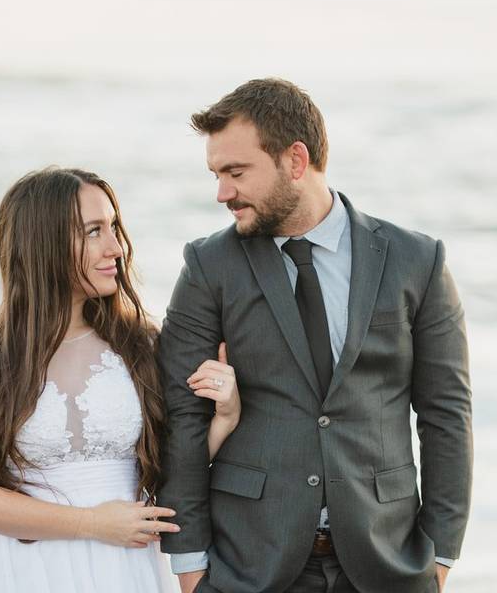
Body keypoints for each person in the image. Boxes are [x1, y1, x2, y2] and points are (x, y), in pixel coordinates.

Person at [157, 79, 473, 593]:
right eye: (216, 175)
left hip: (388, 563)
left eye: (236, 173)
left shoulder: (417, 260)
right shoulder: (207, 266)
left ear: (296, 161)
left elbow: (446, 413)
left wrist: (439, 554)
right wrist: (190, 566)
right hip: (249, 566)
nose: (222, 193)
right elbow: (180, 417)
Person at [0, 167, 241, 593]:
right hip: (22, 572)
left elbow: (168, 471)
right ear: (43, 243)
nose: (116, 247)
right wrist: (91, 524)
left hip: (125, 569)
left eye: (114, 227)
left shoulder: (144, 344)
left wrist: (223, 420)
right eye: (94, 231)